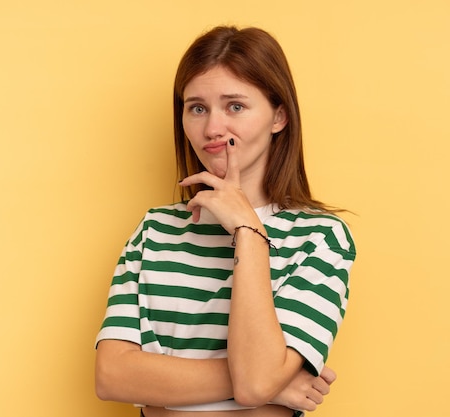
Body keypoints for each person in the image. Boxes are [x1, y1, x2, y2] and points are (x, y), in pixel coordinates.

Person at [94, 26, 356, 417]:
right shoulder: (155, 229)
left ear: (279, 116)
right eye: (197, 108)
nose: (213, 129)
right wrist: (276, 381)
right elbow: (112, 376)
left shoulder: (320, 238)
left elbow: (254, 384)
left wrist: (248, 231)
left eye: (235, 106)